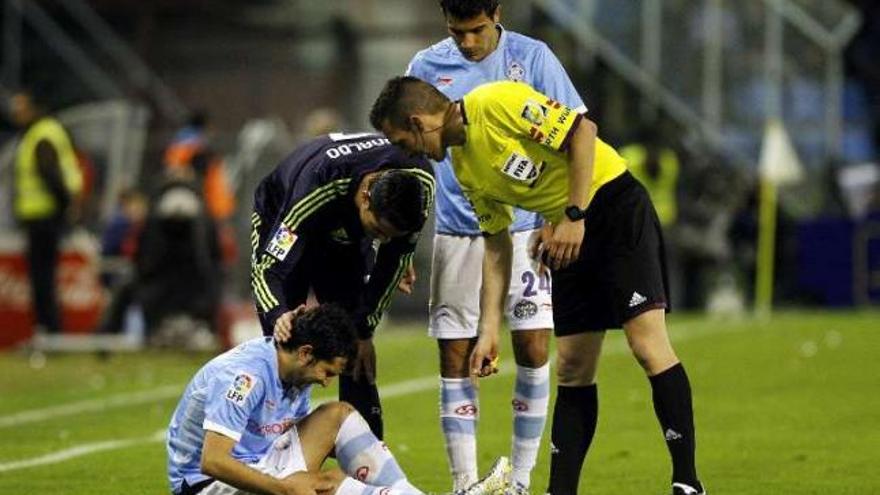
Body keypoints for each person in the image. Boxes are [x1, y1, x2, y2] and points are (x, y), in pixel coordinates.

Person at [370, 78, 705, 495]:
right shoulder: (462, 165)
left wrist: (573, 214)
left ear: (419, 122)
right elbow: (496, 246)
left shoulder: (496, 102)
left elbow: (583, 133)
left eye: (401, 140)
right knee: (572, 368)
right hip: (566, 232)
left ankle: (687, 483)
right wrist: (490, 328)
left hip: (613, 209)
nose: (405, 151)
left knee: (647, 345)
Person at [402, 1, 587, 491]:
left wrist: (559, 214)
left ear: (497, 13)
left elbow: (574, 134)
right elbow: (409, 155)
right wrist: (402, 243)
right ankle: (465, 484)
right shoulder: (425, 67)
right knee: (455, 357)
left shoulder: (535, 59)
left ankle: (521, 481)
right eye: (456, 32)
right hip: (458, 229)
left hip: (527, 227)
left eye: (477, 30)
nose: (467, 42)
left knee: (532, 345)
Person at [167, 304, 510, 495]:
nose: (327, 382)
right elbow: (212, 462)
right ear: (305, 353)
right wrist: (281, 488)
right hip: (205, 486)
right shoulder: (245, 377)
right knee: (327, 483)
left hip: (258, 460)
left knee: (338, 414)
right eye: (328, 372)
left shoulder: (296, 372)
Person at [252, 132, 435, 440]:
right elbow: (270, 270)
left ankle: (371, 469)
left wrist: (364, 330)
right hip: (283, 217)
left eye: (390, 235)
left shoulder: (421, 185)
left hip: (344, 240)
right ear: (366, 195)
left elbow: (394, 259)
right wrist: (277, 315)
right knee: (287, 350)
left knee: (355, 351)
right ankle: (272, 463)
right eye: (378, 230)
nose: (383, 241)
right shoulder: (315, 186)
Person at [10, 89, 83, 336]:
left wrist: (63, 207)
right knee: (44, 275)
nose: (15, 112)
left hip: (44, 216)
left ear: (33, 108)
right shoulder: (39, 133)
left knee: (43, 277)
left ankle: (49, 329)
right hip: (41, 215)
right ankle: (49, 328)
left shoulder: (41, 135)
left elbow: (50, 174)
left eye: (20, 106)